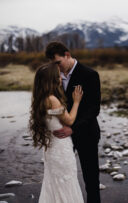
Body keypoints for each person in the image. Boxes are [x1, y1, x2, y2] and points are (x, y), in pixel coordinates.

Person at [45, 41, 101, 203]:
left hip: (86, 133)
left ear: (67, 55)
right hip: (60, 137)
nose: (57, 67)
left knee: (91, 179)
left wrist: (73, 128)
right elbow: (52, 105)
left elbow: (93, 109)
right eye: (53, 64)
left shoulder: (90, 75)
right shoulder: (52, 77)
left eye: (58, 63)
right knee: (62, 176)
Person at [29, 62, 84, 203]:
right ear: (51, 79)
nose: (60, 78)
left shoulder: (41, 99)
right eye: (58, 75)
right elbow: (69, 120)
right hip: (61, 148)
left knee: (54, 183)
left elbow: (53, 115)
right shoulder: (53, 100)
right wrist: (76, 101)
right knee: (66, 183)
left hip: (51, 149)